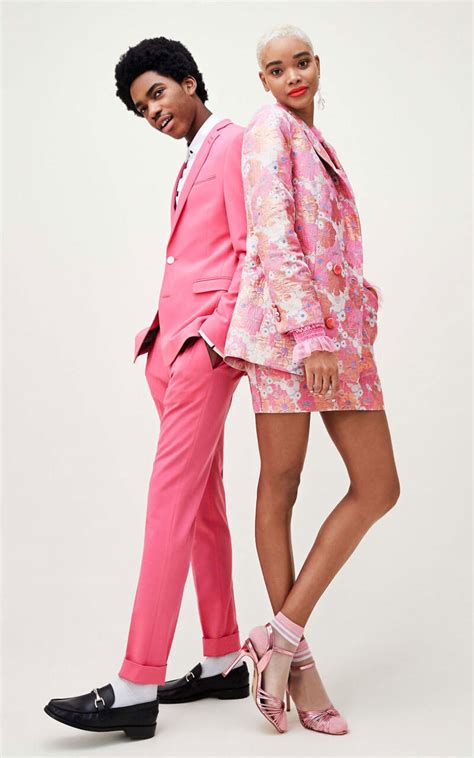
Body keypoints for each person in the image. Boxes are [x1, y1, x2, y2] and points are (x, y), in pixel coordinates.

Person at [44, 36, 248, 741]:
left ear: (190, 80)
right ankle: (223, 657)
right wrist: (166, 339)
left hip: (203, 351)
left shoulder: (235, 143)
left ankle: (135, 685)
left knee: (167, 507)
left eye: (157, 93)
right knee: (203, 508)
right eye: (141, 108)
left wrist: (210, 338)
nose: (153, 112)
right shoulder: (194, 156)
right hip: (171, 344)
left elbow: (251, 252)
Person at [224, 24, 400, 735]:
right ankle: (300, 669)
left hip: (338, 340)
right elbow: (273, 235)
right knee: (282, 484)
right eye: (277, 69)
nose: (292, 75)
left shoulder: (313, 138)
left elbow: (323, 239)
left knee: (378, 486)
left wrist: (357, 304)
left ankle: (278, 635)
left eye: (301, 63)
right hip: (288, 337)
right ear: (263, 81)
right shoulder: (268, 129)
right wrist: (312, 335)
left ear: (317, 66)